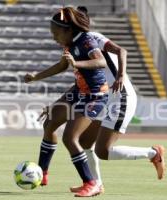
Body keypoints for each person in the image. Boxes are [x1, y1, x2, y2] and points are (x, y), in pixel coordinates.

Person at [25, 7, 109, 197]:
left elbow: (101, 62)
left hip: (95, 95)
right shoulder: (69, 43)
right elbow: (63, 65)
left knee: (70, 138)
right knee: (50, 123)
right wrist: (36, 76)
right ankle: (41, 173)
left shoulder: (86, 41)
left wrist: (76, 63)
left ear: (68, 30)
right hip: (79, 91)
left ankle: (91, 183)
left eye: (55, 33)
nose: (53, 37)